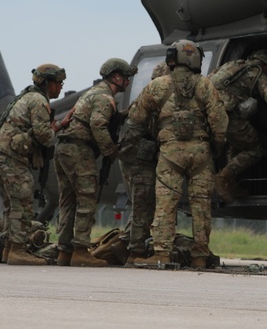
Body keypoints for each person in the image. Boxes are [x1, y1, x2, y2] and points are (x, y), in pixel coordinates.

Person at [131, 41, 227, 269]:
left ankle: (162, 254)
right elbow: (220, 125)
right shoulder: (205, 85)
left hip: (170, 154)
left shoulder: (159, 86)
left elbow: (136, 117)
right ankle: (200, 257)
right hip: (201, 154)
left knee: (166, 205)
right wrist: (214, 148)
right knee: (201, 207)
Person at [53, 58, 135, 268]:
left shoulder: (93, 93)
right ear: (116, 77)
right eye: (126, 77)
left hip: (64, 147)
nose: (128, 81)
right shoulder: (104, 97)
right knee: (87, 199)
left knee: (68, 200)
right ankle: (80, 250)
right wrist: (111, 151)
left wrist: (125, 114)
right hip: (79, 150)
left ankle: (64, 251)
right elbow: (98, 124)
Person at [0, 63, 70, 266]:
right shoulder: (39, 101)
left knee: (11, 203)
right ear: (49, 83)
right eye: (59, 82)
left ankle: (8, 248)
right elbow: (45, 137)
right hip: (9, 156)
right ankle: (17, 250)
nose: (61, 86)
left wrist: (56, 126)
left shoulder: (27, 96)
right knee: (22, 202)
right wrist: (57, 128)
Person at [210, 50, 267, 202]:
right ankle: (222, 178)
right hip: (226, 114)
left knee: (235, 146)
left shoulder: (231, 64)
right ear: (266, 66)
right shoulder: (257, 72)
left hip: (209, 111)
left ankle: (231, 184)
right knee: (254, 149)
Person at [118, 60, 170, 265]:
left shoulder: (147, 95)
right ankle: (134, 252)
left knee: (143, 204)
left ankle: (124, 244)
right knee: (143, 204)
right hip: (138, 158)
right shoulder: (154, 98)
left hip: (135, 157)